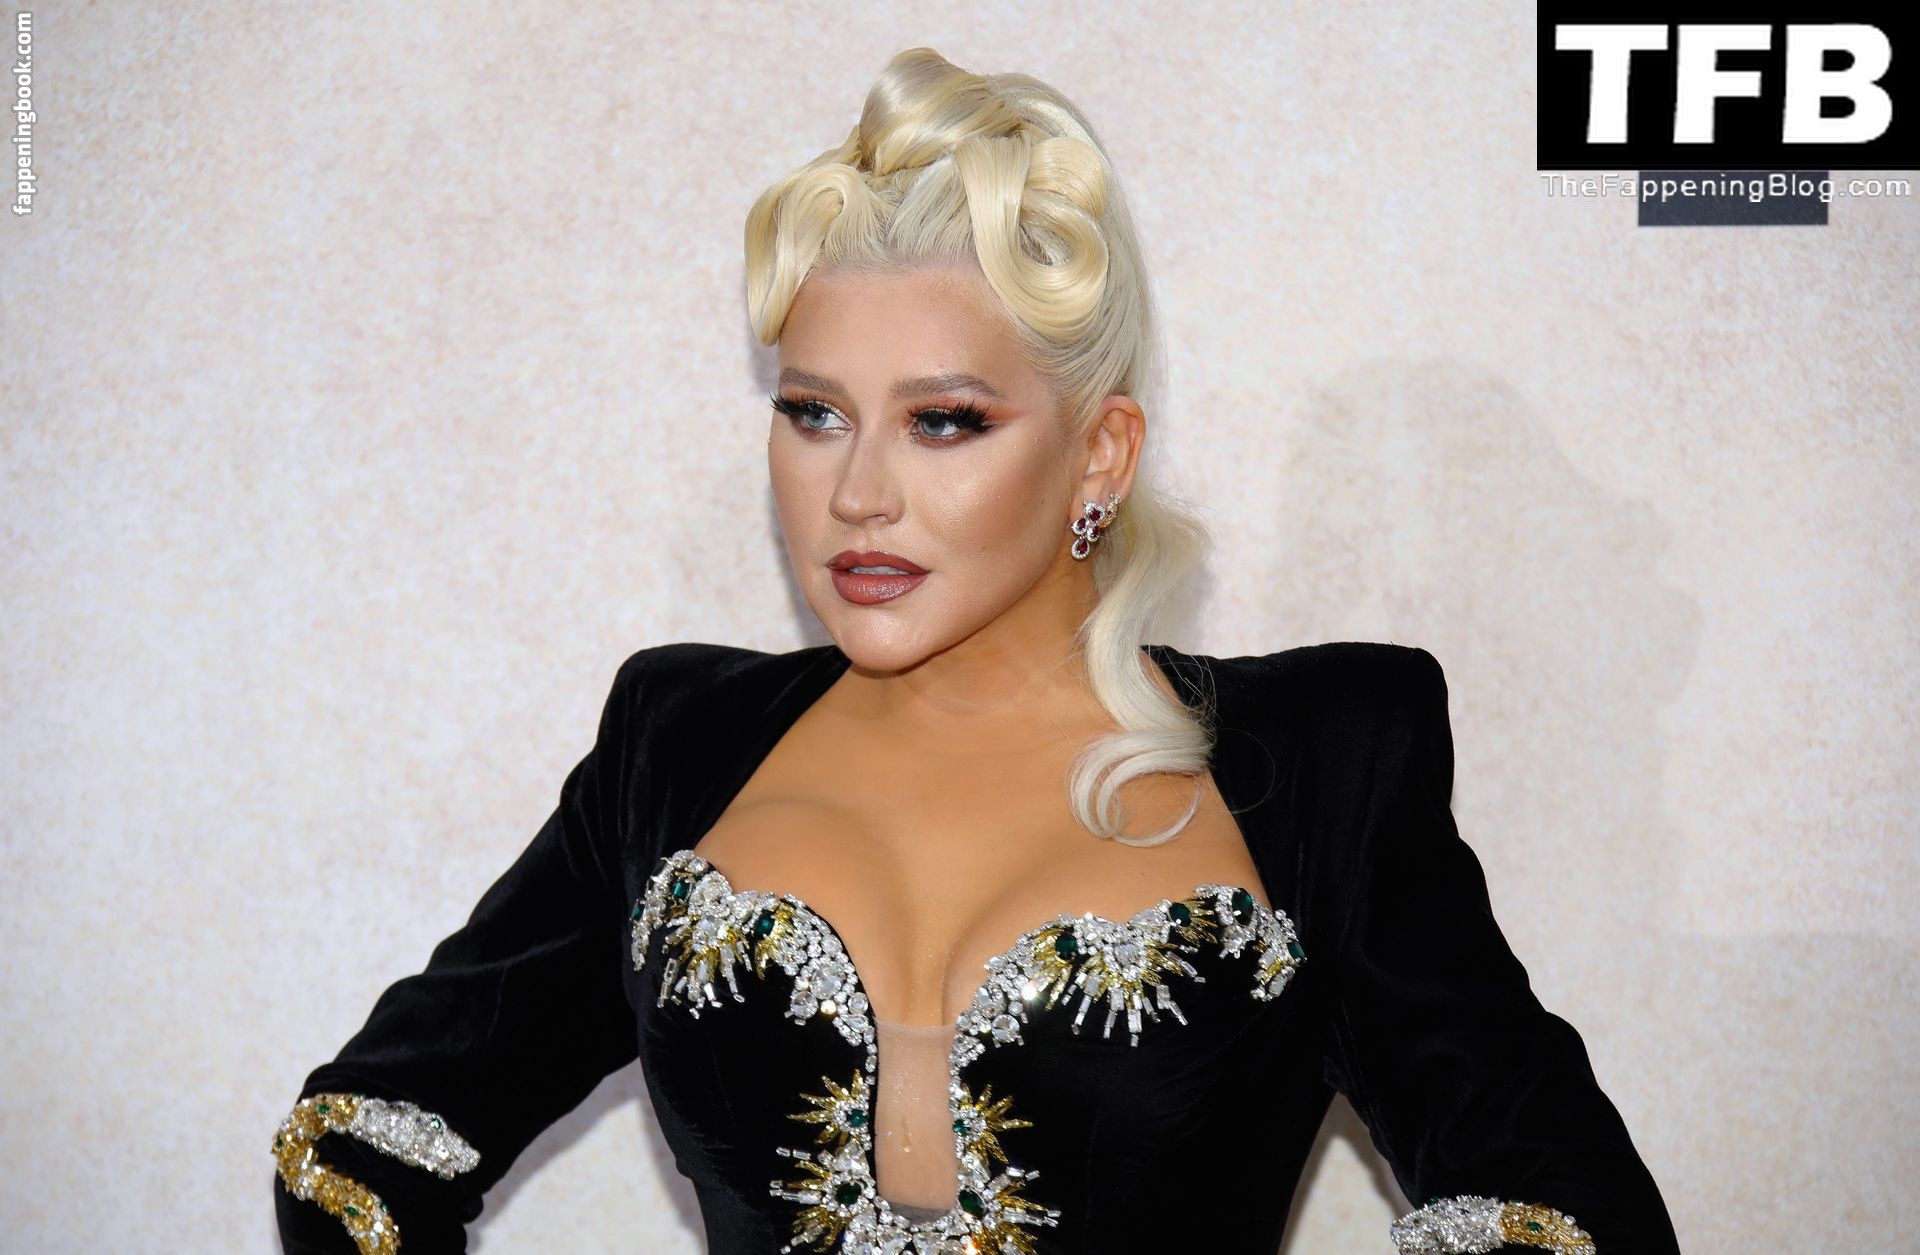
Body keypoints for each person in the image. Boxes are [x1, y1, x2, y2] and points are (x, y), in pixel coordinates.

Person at [270, 46, 1681, 1255]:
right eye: (814, 412)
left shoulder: (1316, 766)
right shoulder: (677, 742)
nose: (858, 493)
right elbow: (356, 1147)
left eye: (944, 421)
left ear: (1099, 455)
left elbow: (1567, 1218)